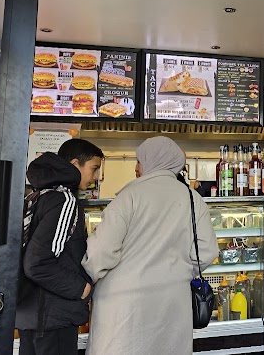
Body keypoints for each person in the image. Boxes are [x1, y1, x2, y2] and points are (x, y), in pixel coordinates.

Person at [82, 136, 218, 355]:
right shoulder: (193, 199)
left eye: (139, 161)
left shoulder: (129, 197)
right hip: (173, 304)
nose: (136, 168)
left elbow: (100, 252)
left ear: (153, 160)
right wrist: (178, 271)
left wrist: (86, 280)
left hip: (124, 307)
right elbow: (207, 251)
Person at [16, 139, 104, 355]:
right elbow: (38, 263)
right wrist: (81, 288)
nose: (95, 177)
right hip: (52, 316)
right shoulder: (65, 199)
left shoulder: (38, 195)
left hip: (31, 313)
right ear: (75, 164)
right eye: (94, 169)